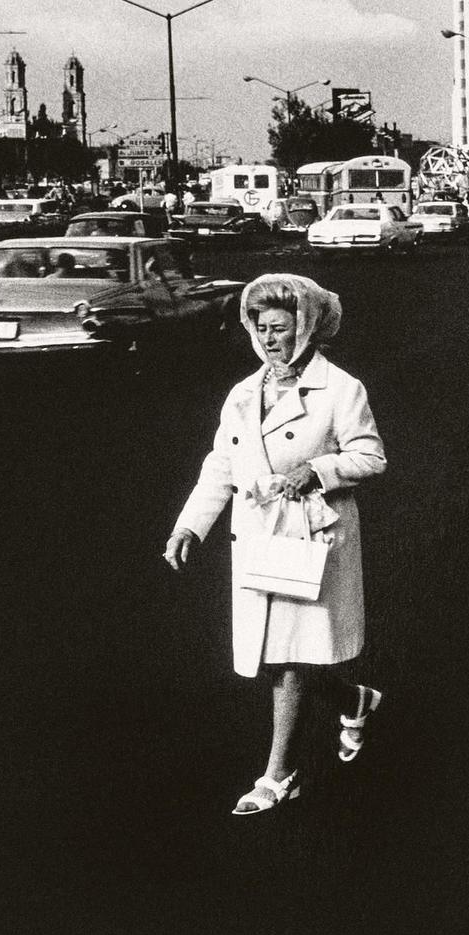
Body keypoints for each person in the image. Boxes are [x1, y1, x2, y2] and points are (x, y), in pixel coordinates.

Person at [163, 275, 388, 815]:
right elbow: (220, 465)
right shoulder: (243, 393)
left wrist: (318, 470)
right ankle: (354, 698)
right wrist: (189, 525)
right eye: (260, 328)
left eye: (280, 329)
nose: (269, 339)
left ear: (306, 328)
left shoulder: (341, 388)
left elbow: (371, 457)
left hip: (311, 536)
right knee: (281, 653)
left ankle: (278, 774)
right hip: (259, 535)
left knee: (286, 659)